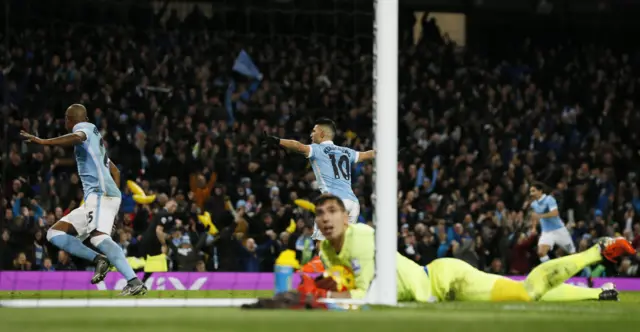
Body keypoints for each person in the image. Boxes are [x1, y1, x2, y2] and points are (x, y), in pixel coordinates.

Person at [298, 193, 636, 303]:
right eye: (320, 214)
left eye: (333, 212)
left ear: (346, 216)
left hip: (444, 279)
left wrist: (325, 296)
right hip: (436, 281)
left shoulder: (361, 237)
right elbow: (348, 282)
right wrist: (332, 284)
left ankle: (598, 251)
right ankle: (598, 294)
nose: (326, 220)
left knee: (526, 293)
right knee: (520, 292)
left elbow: (367, 292)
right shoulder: (328, 249)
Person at [20, 104, 147, 296]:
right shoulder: (96, 141)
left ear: (72, 119)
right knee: (54, 233)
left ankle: (133, 280)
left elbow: (77, 137)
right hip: (99, 198)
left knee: (98, 237)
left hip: (99, 194)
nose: (65, 121)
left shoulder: (84, 130)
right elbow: (115, 171)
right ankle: (99, 260)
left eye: (66, 117)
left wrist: (43, 141)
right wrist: (114, 204)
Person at [261, 118, 375, 240]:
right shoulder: (346, 151)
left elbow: (298, 146)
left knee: (321, 245)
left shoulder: (317, 149)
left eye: (314, 131)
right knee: (343, 246)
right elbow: (368, 155)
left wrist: (278, 141)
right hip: (352, 203)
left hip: (334, 203)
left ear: (321, 133)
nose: (311, 134)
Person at [527, 182, 576, 262]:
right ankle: (553, 271)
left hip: (559, 230)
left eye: (533, 191)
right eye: (530, 191)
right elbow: (534, 216)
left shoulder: (549, 199)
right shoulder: (534, 204)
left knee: (573, 254)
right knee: (541, 252)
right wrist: (534, 228)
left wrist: (541, 216)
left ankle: (586, 272)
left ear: (540, 191)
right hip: (546, 232)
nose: (531, 194)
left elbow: (555, 213)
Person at [138, 199, 178, 281]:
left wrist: (169, 236)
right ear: (170, 206)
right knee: (151, 263)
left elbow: (159, 232)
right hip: (151, 243)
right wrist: (164, 244)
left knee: (150, 264)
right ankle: (135, 280)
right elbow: (158, 231)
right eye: (174, 207)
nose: (175, 209)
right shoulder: (164, 214)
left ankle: (140, 283)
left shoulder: (161, 213)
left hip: (148, 241)